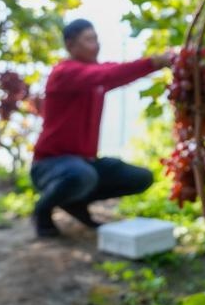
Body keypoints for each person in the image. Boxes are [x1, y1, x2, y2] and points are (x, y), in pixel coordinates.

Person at [30, 19, 170, 238]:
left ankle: (75, 202)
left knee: (141, 177)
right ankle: (43, 210)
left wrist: (153, 65)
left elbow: (114, 72)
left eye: (96, 39)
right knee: (81, 175)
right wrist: (153, 62)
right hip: (49, 165)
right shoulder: (64, 73)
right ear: (70, 45)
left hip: (83, 164)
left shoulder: (94, 77)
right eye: (89, 39)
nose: (96, 45)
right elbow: (107, 75)